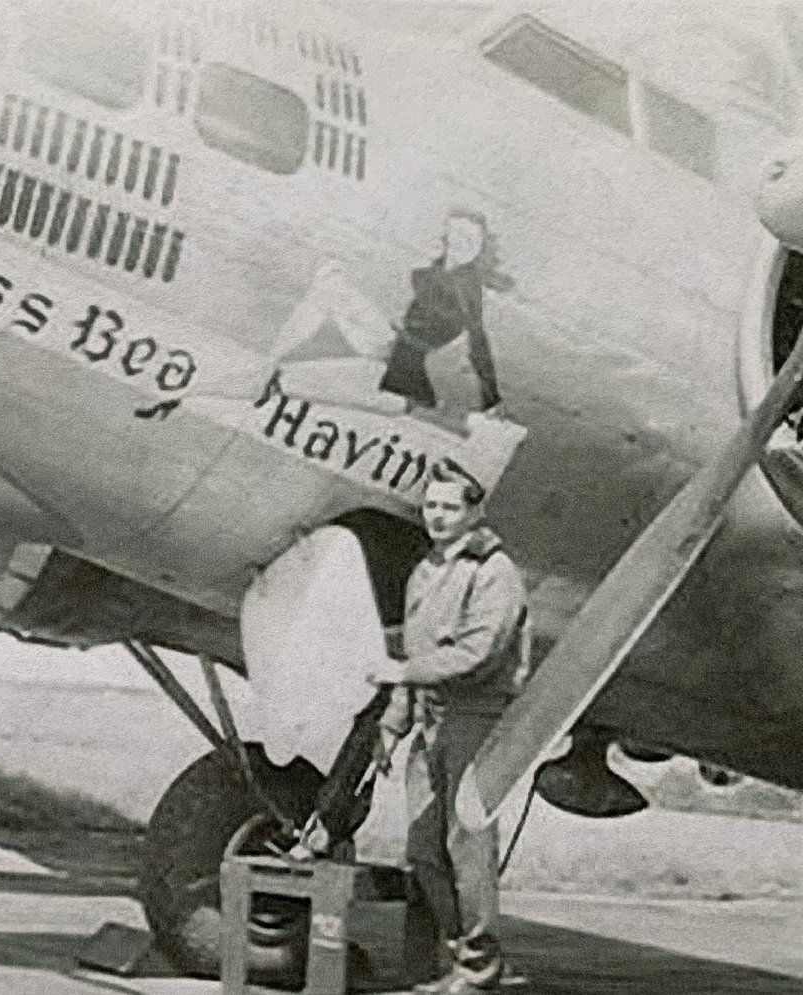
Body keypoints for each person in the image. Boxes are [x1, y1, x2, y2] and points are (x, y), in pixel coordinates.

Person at [291, 457, 528, 993]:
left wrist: (406, 670)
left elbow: (481, 651)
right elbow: (415, 654)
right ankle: (463, 954)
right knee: (424, 850)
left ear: (475, 512)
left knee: (468, 848)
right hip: (429, 719)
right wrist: (392, 725)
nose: (438, 517)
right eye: (431, 506)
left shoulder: (494, 571)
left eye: (450, 507)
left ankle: (480, 970)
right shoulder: (426, 570)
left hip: (475, 719)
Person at [380, 211, 512, 413]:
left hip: (407, 361)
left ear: (480, 246)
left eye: (472, 239)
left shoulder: (465, 285)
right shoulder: (439, 268)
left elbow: (477, 339)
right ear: (448, 236)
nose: (463, 243)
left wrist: (491, 397)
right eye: (457, 234)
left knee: (329, 285)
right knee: (329, 280)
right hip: (398, 352)